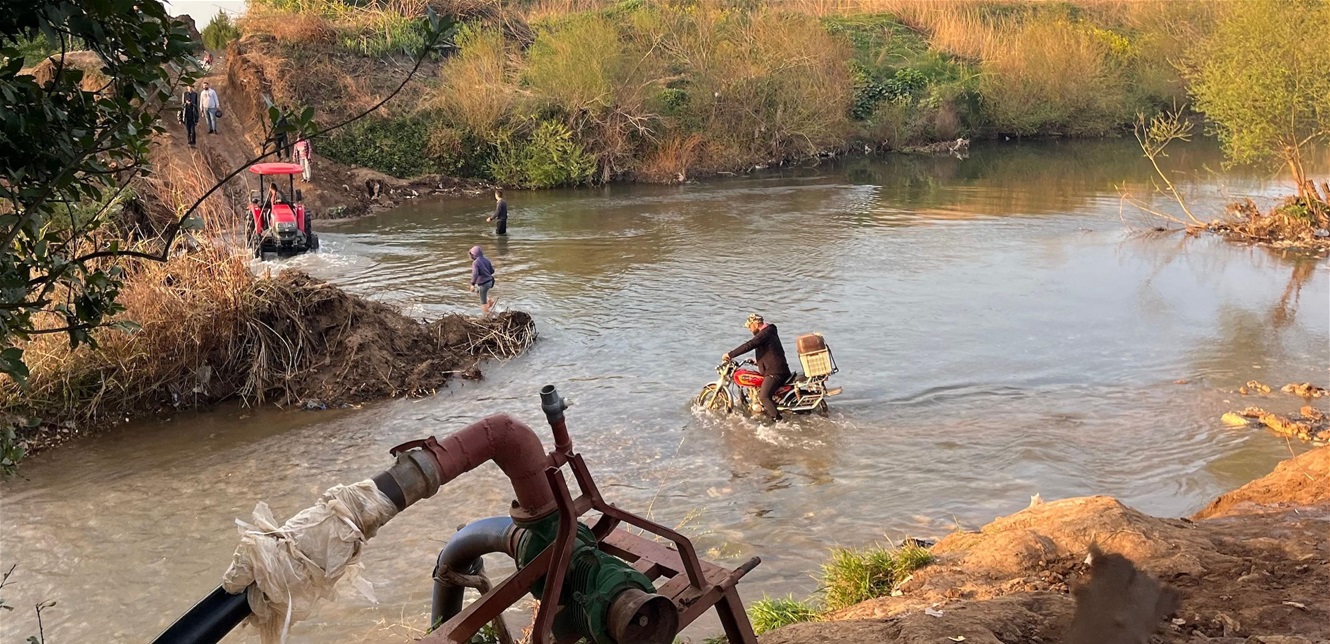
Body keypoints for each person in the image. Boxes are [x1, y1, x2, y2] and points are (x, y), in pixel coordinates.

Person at [723, 313, 792, 422]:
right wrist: (757, 362)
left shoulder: (765, 333)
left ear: (755, 324)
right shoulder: (768, 333)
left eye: (750, 326)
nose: (750, 330)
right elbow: (772, 353)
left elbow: (749, 345)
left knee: (764, 396)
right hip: (776, 369)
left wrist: (730, 354)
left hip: (775, 372)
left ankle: (779, 421)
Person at [469, 245, 496, 315]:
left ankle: (486, 316)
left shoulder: (475, 263)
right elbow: (492, 271)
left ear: (474, 255)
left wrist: (472, 284)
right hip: (490, 282)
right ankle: (490, 301)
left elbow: (475, 274)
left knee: (483, 302)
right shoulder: (486, 260)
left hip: (484, 283)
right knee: (479, 291)